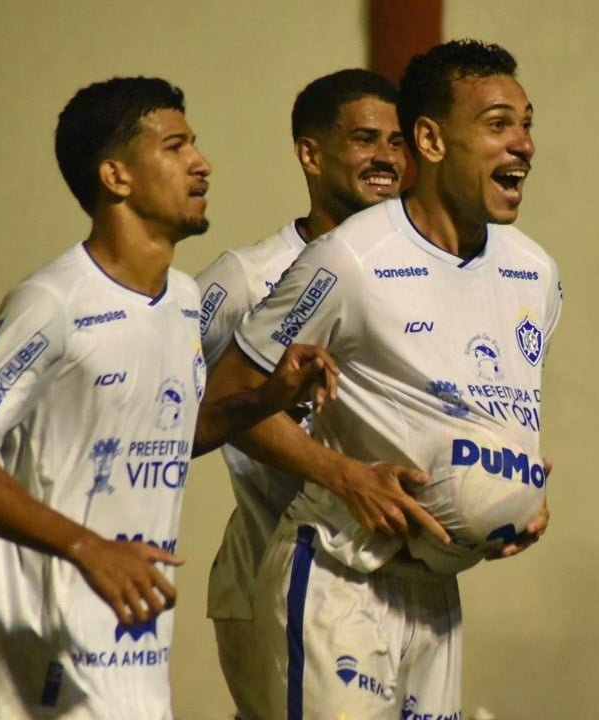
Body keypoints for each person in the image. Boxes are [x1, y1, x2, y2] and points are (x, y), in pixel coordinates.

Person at [0, 76, 336, 720]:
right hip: (46, 658)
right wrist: (89, 549)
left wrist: (265, 397)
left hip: (136, 648)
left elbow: (168, 435)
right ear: (116, 176)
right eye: (175, 147)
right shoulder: (54, 302)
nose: (202, 163)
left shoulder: (184, 301)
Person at [203, 40, 561, 719]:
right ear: (430, 139)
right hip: (340, 579)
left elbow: (495, 409)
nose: (523, 145)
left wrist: (515, 495)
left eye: (527, 124)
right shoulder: (348, 260)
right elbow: (222, 400)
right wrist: (345, 476)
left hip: (435, 590)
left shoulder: (535, 272)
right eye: (497, 125)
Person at [194, 68, 408, 720]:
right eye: (366, 139)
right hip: (272, 578)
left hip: (395, 589)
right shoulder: (244, 278)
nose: (386, 159)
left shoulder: (413, 275)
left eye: (397, 142)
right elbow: (161, 411)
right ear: (310, 154)